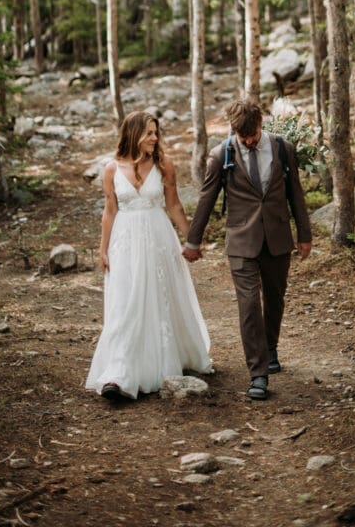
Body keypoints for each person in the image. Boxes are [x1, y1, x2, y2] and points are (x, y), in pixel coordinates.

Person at [183, 98, 312, 401]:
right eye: (243, 137)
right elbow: (206, 199)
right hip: (241, 240)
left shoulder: (282, 148)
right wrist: (193, 240)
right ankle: (258, 374)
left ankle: (270, 348)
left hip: (278, 237)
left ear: (261, 124)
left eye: (253, 134)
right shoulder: (221, 154)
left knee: (275, 297)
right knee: (249, 303)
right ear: (234, 131)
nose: (249, 141)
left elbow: (296, 194)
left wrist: (304, 234)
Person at [86, 111, 212, 400]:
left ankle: (162, 361)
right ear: (133, 134)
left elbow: (175, 205)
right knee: (124, 303)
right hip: (124, 243)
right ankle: (118, 374)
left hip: (158, 240)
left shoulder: (164, 165)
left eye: (156, 133)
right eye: (149, 133)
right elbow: (109, 211)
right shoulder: (111, 169)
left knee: (160, 299)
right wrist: (103, 249)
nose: (155, 138)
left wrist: (191, 240)